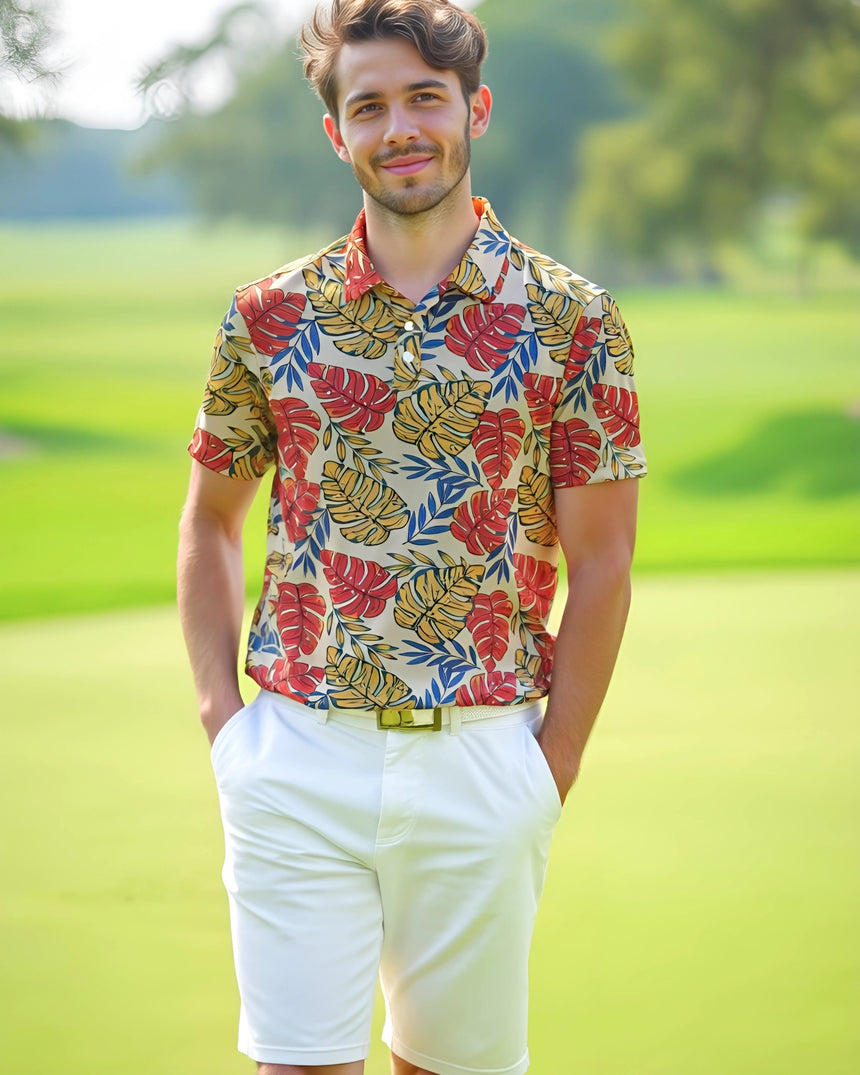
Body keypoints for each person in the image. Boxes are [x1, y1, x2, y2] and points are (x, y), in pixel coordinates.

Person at [177, 1, 646, 1073]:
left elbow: (604, 562)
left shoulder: (572, 318)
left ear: (472, 108)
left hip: (482, 758)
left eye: (423, 98)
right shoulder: (266, 317)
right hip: (295, 755)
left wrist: (551, 762)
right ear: (335, 131)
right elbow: (208, 522)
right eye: (369, 105)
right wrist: (224, 726)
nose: (400, 127)